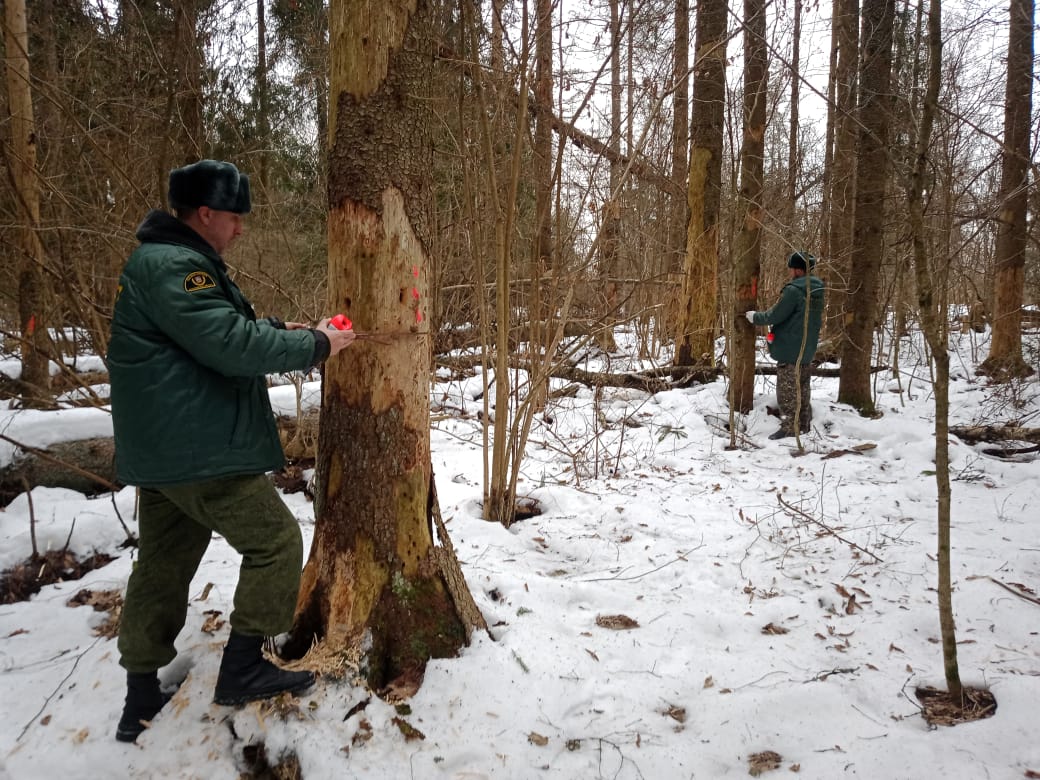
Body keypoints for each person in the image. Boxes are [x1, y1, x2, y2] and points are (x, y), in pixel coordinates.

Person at [107, 160, 356, 743]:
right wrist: (316, 343)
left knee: (163, 563)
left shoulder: (167, 263)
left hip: (167, 452)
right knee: (275, 542)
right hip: (199, 450)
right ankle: (243, 669)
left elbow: (209, 330)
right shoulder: (177, 267)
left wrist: (283, 327)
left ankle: (140, 692)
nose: (241, 230)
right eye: (235, 218)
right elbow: (226, 343)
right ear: (206, 214)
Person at [746, 251, 825, 440]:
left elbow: (776, 314)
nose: (789, 271)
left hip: (790, 348)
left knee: (787, 392)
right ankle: (803, 424)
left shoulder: (794, 290)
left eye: (791, 268)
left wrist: (755, 317)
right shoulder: (817, 289)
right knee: (803, 387)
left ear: (798, 269)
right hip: (807, 348)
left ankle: (790, 427)